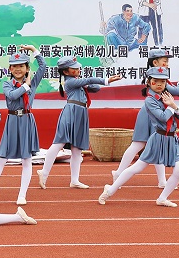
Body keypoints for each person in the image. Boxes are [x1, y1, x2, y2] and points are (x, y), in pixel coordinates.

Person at [98, 66, 179, 207]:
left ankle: (162, 198)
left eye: (163, 82)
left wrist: (174, 105)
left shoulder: (166, 97)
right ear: (149, 82)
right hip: (158, 139)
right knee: (136, 168)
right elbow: (163, 117)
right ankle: (110, 190)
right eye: (156, 81)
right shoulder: (150, 100)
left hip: (172, 140)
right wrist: (171, 106)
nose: (159, 84)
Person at [38, 56, 122, 190]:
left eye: (78, 67)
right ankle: (44, 172)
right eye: (74, 68)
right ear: (65, 72)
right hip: (71, 112)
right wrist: (106, 80)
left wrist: (85, 83)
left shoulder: (78, 81)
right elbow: (89, 80)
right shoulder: (70, 82)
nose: (78, 70)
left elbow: (95, 88)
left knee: (77, 148)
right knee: (59, 143)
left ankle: (74, 180)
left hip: (81, 113)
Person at [111, 48, 179, 188]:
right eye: (165, 61)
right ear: (155, 62)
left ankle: (162, 180)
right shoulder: (156, 77)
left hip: (156, 111)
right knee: (138, 144)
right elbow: (176, 91)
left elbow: (177, 92)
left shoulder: (161, 78)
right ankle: (119, 173)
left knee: (158, 145)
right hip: (149, 114)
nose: (167, 64)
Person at [0, 46, 45, 206]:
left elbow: (43, 66)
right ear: (10, 69)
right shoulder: (7, 84)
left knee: (26, 160)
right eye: (14, 66)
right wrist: (25, 86)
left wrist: (34, 50)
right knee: (0, 159)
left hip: (26, 122)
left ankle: (22, 195)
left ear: (27, 68)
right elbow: (12, 96)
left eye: (21, 66)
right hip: (12, 122)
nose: (18, 69)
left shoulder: (33, 82)